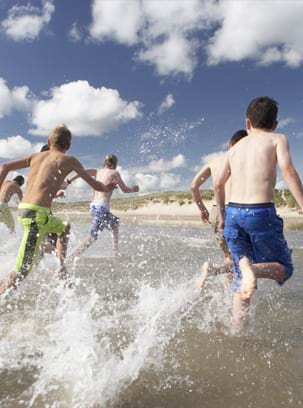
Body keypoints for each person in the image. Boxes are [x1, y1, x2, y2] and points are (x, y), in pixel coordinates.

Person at [215, 96, 303, 325]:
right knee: (285, 267)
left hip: (233, 214)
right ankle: (251, 269)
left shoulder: (233, 150)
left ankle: (237, 329)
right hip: (260, 212)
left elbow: (218, 184)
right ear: (274, 124)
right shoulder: (277, 139)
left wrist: (222, 217)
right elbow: (288, 170)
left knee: (239, 273)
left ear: (247, 123)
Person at [0, 125, 116, 295]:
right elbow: (95, 184)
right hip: (36, 215)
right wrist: (107, 187)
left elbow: (4, 167)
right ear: (68, 146)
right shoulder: (70, 160)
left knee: (64, 227)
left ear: (49, 141)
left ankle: (61, 268)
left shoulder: (35, 156)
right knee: (20, 273)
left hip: (28, 209)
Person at [191, 130, 248, 287]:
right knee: (242, 259)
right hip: (236, 210)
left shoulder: (214, 161)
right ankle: (213, 271)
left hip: (217, 211)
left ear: (229, 144)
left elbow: (194, 186)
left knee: (228, 256)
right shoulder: (244, 160)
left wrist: (202, 209)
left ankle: (225, 295)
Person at [68, 154, 139, 258]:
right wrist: (133, 189)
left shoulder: (97, 171)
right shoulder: (115, 173)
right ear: (114, 164)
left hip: (93, 207)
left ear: (105, 162)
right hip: (101, 207)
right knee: (92, 236)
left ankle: (115, 252)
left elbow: (81, 172)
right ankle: (72, 257)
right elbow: (124, 190)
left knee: (115, 223)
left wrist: (69, 180)